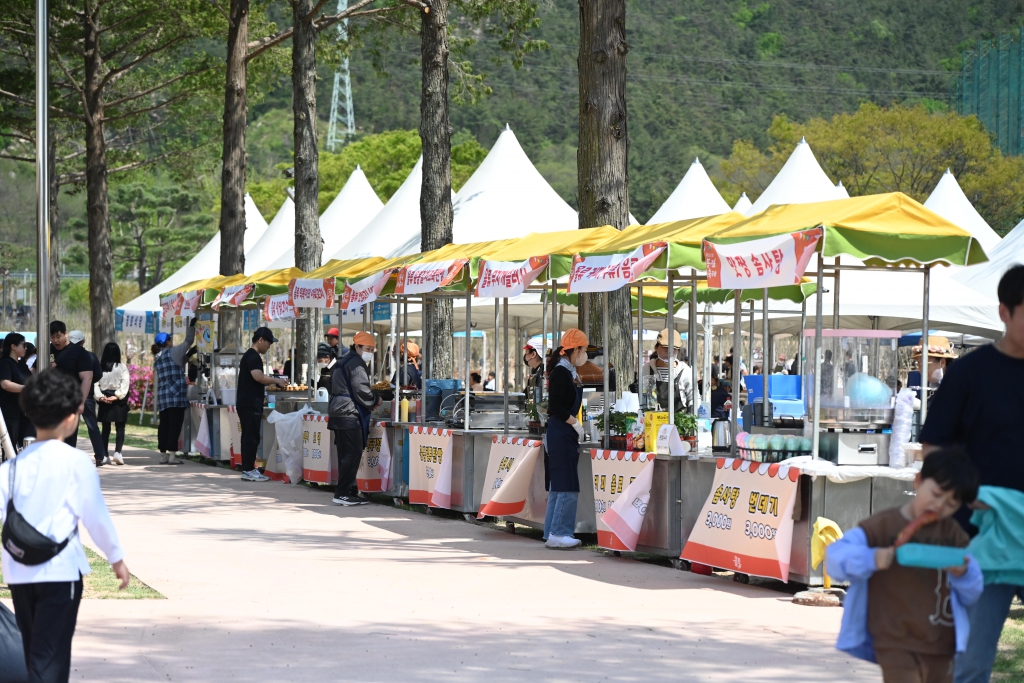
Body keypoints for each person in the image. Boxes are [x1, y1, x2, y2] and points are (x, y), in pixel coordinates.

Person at [920, 265, 1024, 683]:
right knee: (971, 664)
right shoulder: (968, 374)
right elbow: (933, 448)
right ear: (1004, 312)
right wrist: (967, 494)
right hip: (981, 543)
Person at [0, 370, 130, 683]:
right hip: (61, 572)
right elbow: (95, 517)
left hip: (19, 571)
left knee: (35, 649)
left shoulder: (10, 468)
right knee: (52, 657)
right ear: (72, 418)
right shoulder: (77, 463)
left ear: (29, 412)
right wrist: (116, 559)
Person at [827, 448, 983, 683]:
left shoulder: (953, 534)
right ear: (919, 481)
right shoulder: (882, 526)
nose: (940, 506)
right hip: (893, 638)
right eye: (937, 494)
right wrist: (872, 558)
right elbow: (835, 558)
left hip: (942, 641)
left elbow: (974, 591)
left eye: (951, 503)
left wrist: (964, 573)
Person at [543, 329, 588, 550]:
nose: (585, 354)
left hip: (562, 432)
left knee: (559, 486)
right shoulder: (561, 373)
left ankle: (551, 531)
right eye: (584, 350)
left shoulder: (568, 370)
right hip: (561, 431)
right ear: (576, 349)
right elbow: (555, 406)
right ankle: (560, 532)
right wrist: (575, 423)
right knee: (567, 484)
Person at [328, 331, 379, 506]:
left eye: (372, 349)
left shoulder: (343, 360)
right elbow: (361, 389)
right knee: (352, 453)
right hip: (348, 412)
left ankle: (348, 491)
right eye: (367, 348)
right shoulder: (356, 363)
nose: (370, 352)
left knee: (345, 453)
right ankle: (342, 493)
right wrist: (375, 400)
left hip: (337, 411)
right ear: (357, 346)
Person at [236, 327, 288, 482]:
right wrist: (277, 380)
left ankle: (249, 468)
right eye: (268, 342)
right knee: (250, 437)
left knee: (249, 436)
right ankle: (249, 470)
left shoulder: (250, 356)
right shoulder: (253, 356)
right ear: (260, 340)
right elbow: (258, 376)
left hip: (248, 402)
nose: (269, 346)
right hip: (250, 403)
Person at [154, 323, 196, 465]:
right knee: (175, 425)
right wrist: (191, 326)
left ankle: (163, 455)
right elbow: (188, 341)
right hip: (176, 395)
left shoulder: (158, 356)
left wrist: (189, 354)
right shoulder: (174, 351)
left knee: (164, 425)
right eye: (170, 339)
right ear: (167, 342)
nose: (172, 341)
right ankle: (172, 455)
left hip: (163, 396)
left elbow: (178, 361)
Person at [48, 321, 93, 454]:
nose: (55, 341)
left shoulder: (79, 352)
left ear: (66, 334)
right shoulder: (47, 350)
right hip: (49, 402)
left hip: (70, 402)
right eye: (52, 337)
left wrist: (81, 402)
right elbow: (34, 371)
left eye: (58, 336)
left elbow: (87, 378)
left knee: (68, 440)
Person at [70, 331, 109, 466]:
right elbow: (98, 375)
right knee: (92, 426)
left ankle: (70, 454)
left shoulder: (67, 355)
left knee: (71, 426)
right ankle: (99, 456)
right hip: (87, 396)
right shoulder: (90, 356)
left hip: (71, 394)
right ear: (83, 341)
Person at [640, 328, 692, 413]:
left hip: (679, 420)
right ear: (657, 347)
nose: (668, 351)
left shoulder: (685, 370)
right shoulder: (646, 369)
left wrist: (691, 410)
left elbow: (693, 396)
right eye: (665, 347)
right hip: (652, 419)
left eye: (674, 348)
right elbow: (643, 395)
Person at [95, 342, 130, 466]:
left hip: (104, 399)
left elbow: (95, 384)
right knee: (120, 427)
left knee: (105, 429)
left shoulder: (99, 367)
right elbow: (125, 384)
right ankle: (118, 453)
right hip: (118, 400)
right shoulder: (122, 367)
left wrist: (101, 397)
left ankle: (105, 455)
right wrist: (117, 396)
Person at [0, 332, 34, 451]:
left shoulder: (22, 364)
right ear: (13, 346)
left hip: (25, 412)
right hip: (10, 412)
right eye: (23, 345)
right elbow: (5, 384)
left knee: (29, 442)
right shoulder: (5, 363)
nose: (26, 348)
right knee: (10, 447)